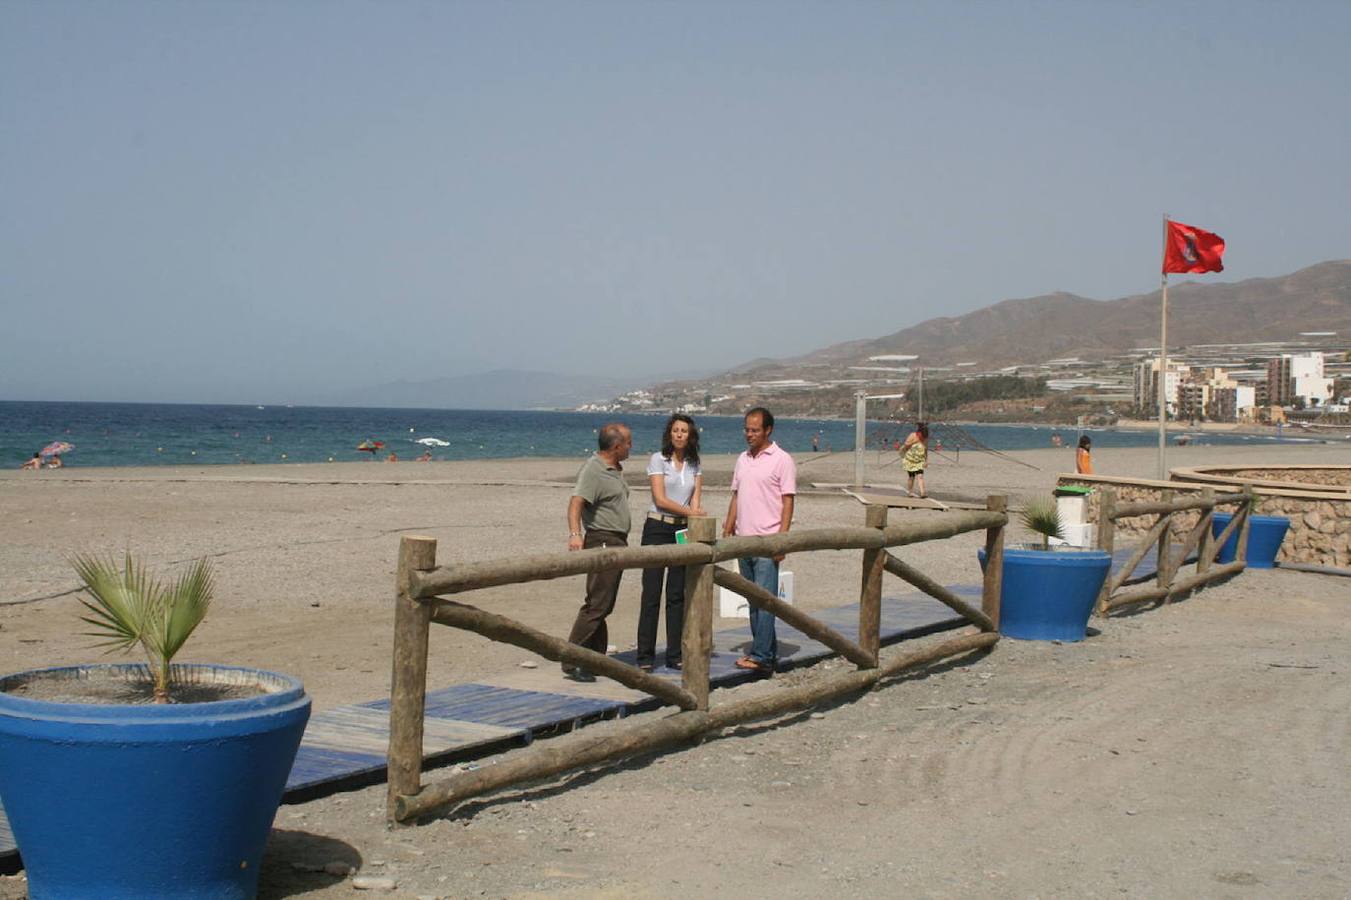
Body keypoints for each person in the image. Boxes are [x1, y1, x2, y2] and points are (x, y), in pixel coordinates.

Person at [723, 408, 796, 675]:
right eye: (746, 429)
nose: (749, 434)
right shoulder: (743, 459)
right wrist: (729, 523)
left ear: (768, 430)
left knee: (765, 601)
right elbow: (736, 494)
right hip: (744, 540)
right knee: (752, 599)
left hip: (767, 541)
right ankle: (767, 650)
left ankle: (762, 655)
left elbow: (788, 501)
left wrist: (782, 540)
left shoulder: (782, 460)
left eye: (754, 430)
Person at [563, 422, 634, 682]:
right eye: (628, 443)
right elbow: (575, 502)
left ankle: (595, 659)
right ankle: (571, 659)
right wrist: (575, 535)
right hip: (603, 539)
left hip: (617, 539)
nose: (631, 447)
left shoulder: (613, 469)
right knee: (596, 604)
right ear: (616, 446)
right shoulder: (594, 469)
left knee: (604, 603)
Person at [636, 414, 704, 672]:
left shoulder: (695, 464)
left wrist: (695, 515)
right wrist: (692, 513)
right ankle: (645, 656)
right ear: (669, 433)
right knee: (651, 593)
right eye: (675, 430)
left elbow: (696, 500)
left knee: (677, 595)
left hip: (681, 531)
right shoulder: (658, 459)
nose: (679, 434)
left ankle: (675, 654)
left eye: (684, 431)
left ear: (690, 435)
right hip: (657, 527)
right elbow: (661, 499)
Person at [900, 422, 929, 498]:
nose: (924, 437)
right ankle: (910, 492)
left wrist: (926, 460)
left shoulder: (925, 438)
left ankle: (923, 493)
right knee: (911, 477)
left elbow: (925, 449)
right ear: (920, 433)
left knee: (920, 476)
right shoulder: (913, 435)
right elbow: (906, 445)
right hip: (910, 459)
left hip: (920, 460)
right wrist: (915, 442)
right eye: (923, 436)